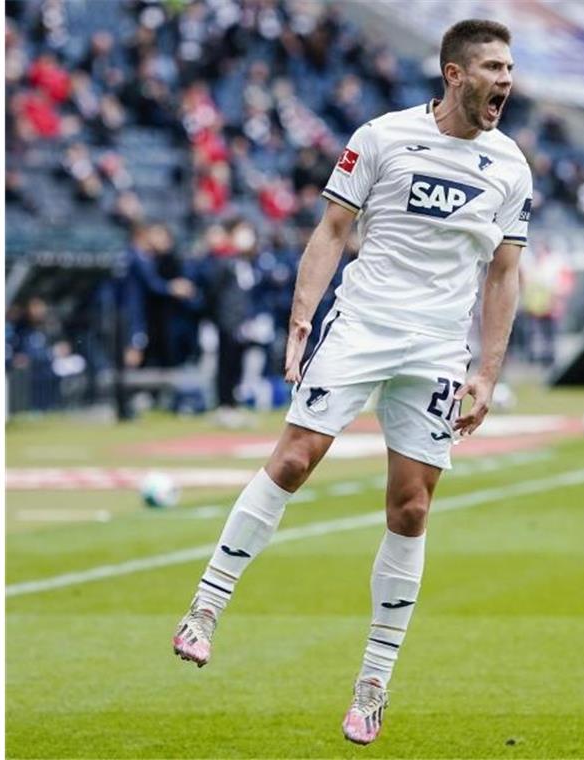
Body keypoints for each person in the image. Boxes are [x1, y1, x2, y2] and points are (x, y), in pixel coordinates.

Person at [172, 19, 531, 747]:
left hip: (435, 349)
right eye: (493, 67)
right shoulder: (382, 137)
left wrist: (486, 372)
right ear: (454, 74)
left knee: (410, 509)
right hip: (363, 324)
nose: (506, 80)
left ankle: (372, 687)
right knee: (295, 458)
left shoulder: (511, 167)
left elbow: (505, 273)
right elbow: (333, 229)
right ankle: (205, 607)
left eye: (510, 68)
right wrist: (302, 319)